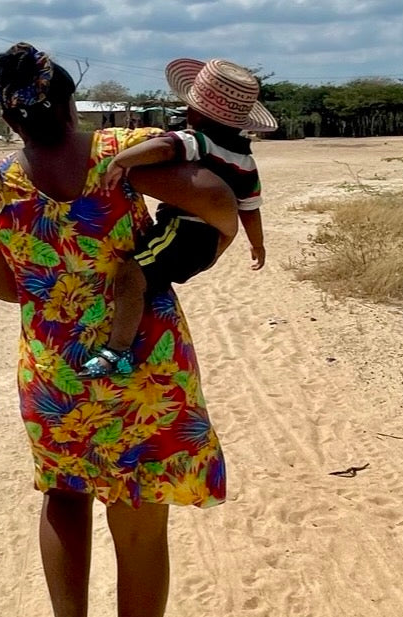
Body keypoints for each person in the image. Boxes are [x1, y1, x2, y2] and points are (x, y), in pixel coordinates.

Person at [0, 43, 236, 617]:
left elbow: (6, 287)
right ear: (66, 100)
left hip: (57, 371)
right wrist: (218, 238)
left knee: (64, 498)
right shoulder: (122, 152)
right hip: (141, 367)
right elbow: (215, 196)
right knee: (141, 524)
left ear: (11, 118)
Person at [83, 58, 274, 379]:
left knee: (129, 275)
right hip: (206, 242)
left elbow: (164, 147)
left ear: (194, 112)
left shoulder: (198, 141)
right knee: (148, 282)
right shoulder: (246, 161)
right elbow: (250, 209)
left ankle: (116, 351)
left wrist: (120, 160)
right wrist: (258, 245)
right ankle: (131, 343)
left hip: (183, 233)